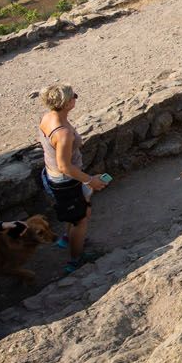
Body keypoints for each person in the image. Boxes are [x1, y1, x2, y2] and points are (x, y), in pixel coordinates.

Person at [37, 84, 106, 273]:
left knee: (78, 212)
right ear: (67, 103)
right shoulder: (63, 133)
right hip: (66, 181)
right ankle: (76, 259)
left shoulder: (48, 117)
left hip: (53, 175)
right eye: (74, 96)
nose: (76, 97)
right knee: (81, 218)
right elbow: (65, 166)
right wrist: (90, 180)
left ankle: (68, 239)